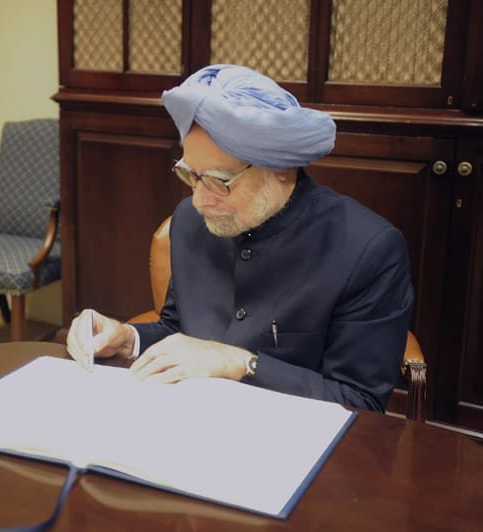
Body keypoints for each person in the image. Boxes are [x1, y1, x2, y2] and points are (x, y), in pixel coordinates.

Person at [66, 64, 414, 412]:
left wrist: (240, 364)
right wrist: (128, 339)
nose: (199, 201)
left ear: (280, 169)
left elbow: (359, 402)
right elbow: (178, 327)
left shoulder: (367, 249)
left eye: (220, 180)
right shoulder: (190, 221)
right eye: (191, 175)